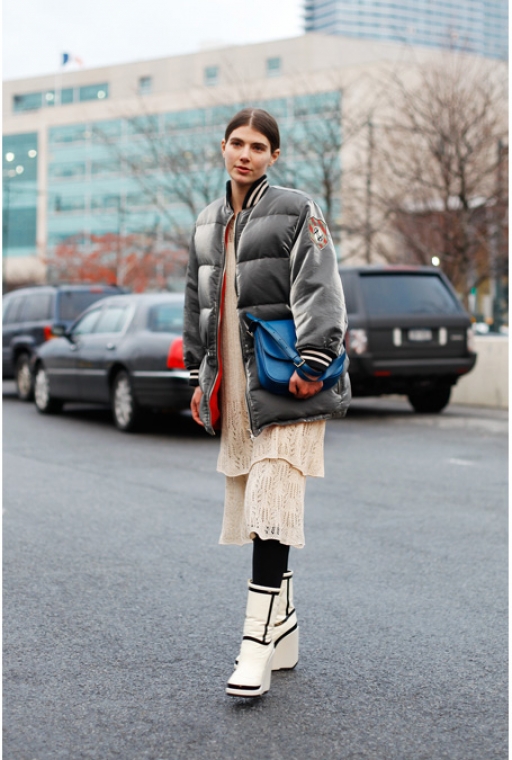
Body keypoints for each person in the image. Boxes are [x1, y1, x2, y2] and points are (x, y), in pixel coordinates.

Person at [183, 108, 349, 698]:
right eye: (237, 143)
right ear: (223, 147)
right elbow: (197, 304)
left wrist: (315, 360)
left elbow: (321, 285)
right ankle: (285, 627)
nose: (245, 154)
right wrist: (199, 376)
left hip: (286, 382)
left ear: (274, 155)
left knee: (271, 500)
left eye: (258, 146)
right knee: (260, 512)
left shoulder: (297, 208)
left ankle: (254, 647)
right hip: (234, 387)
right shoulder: (207, 221)